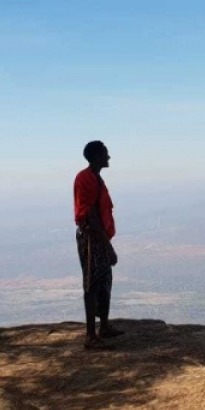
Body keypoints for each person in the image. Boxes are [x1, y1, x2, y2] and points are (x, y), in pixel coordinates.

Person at [74, 141, 123, 349]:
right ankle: (90, 335)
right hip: (92, 239)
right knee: (92, 284)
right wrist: (108, 246)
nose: (109, 157)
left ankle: (103, 326)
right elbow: (91, 215)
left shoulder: (95, 177)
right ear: (96, 156)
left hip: (100, 238)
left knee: (104, 280)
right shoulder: (86, 179)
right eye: (105, 154)